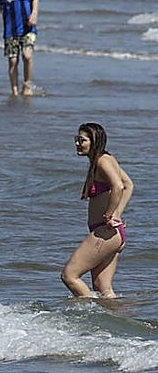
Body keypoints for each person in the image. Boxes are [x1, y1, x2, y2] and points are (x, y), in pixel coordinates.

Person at [62, 123, 133, 299]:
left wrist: (111, 214)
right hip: (110, 232)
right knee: (103, 288)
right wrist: (117, 214)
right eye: (76, 140)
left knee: (70, 276)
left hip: (106, 231)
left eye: (82, 140)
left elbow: (119, 186)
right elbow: (129, 184)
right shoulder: (104, 159)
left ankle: (91, 316)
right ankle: (114, 323)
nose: (78, 143)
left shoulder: (103, 160)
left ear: (95, 141)